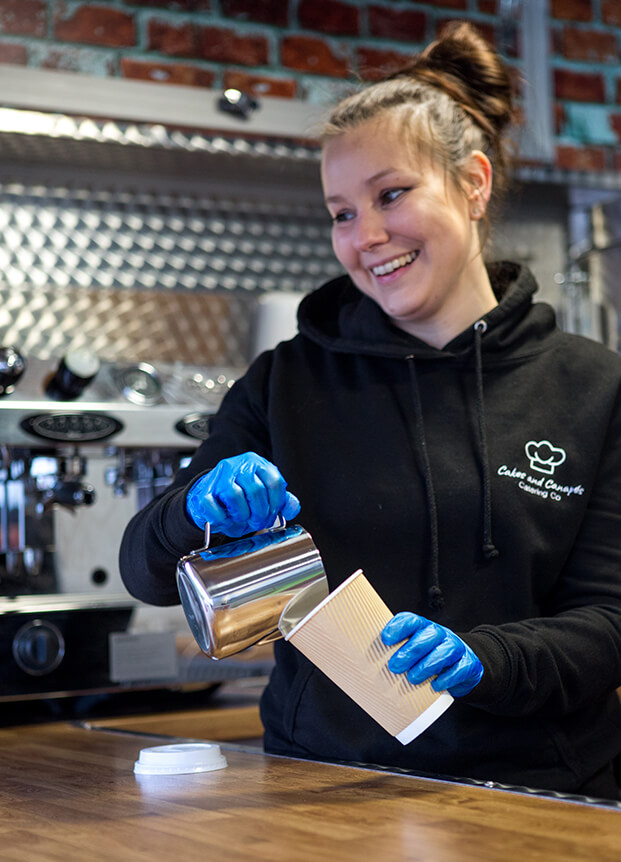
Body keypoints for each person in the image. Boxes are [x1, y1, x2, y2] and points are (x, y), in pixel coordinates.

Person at [119, 22, 621, 800]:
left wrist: (487, 658)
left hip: (538, 797)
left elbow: (610, 622)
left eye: (390, 195)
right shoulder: (285, 382)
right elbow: (145, 571)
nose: (367, 237)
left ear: (473, 184)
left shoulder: (592, 387)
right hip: (319, 790)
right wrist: (194, 509)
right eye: (341, 213)